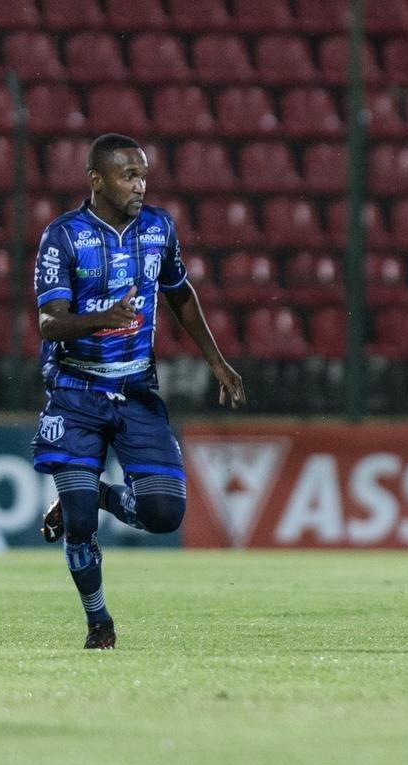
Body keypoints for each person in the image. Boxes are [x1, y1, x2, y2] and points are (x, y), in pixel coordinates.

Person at [31, 133, 246, 649]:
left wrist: (215, 360)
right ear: (96, 179)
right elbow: (48, 323)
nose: (139, 185)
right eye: (128, 175)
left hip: (136, 388)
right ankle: (98, 619)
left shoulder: (159, 228)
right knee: (80, 522)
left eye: (143, 175)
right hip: (75, 389)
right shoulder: (62, 236)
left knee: (164, 513)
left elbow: (180, 293)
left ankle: (99, 494)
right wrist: (102, 318)